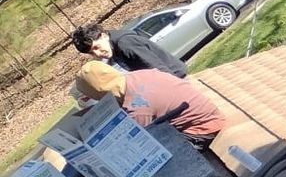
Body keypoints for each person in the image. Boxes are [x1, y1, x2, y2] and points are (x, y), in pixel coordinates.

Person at [73, 61, 226, 146]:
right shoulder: (139, 75)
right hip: (209, 112)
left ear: (98, 92)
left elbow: (142, 142)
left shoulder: (138, 108)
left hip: (202, 131)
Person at [70, 23, 188, 78]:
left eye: (96, 47)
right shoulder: (113, 47)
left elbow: (160, 71)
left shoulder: (125, 44)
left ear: (103, 36)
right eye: (91, 53)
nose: (97, 54)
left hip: (177, 80)